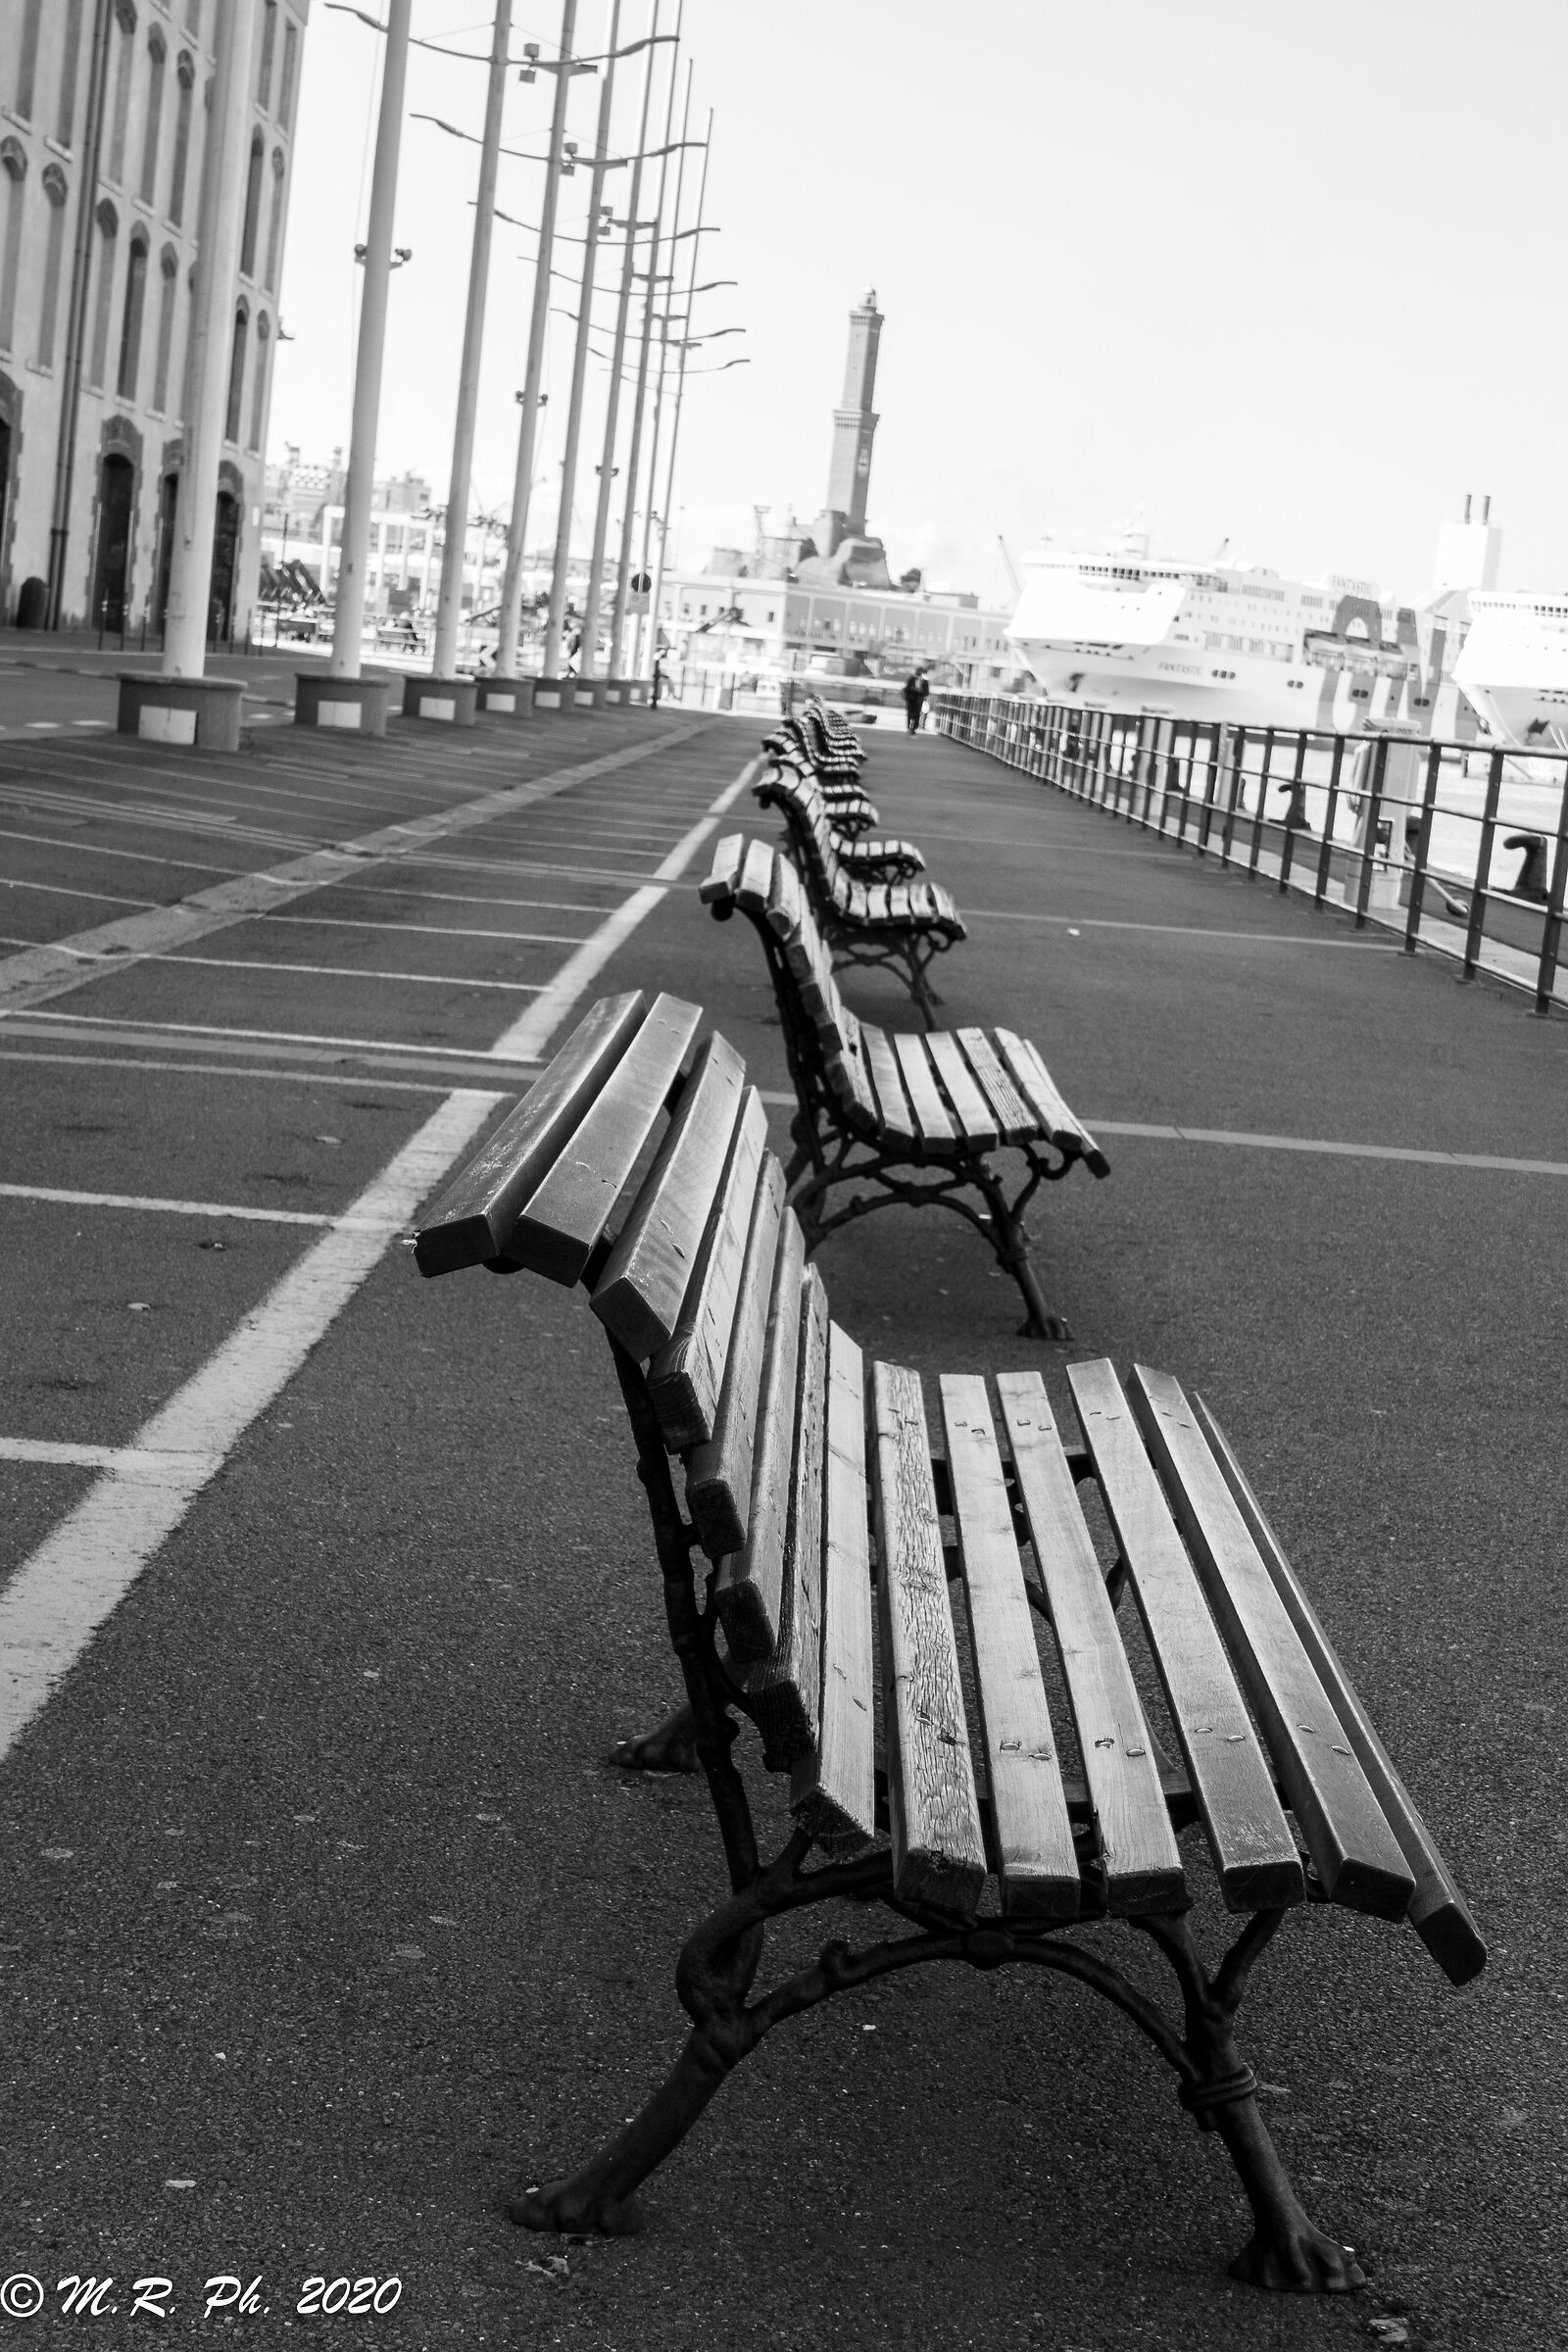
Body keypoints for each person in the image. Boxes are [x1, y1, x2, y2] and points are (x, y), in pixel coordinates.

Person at [903, 666, 930, 733]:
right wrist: (912, 690)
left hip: (919, 700)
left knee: (917, 714)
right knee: (910, 713)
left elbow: (926, 692)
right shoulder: (911, 679)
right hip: (911, 699)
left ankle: (914, 728)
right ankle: (909, 727)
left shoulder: (925, 681)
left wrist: (921, 692)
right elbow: (907, 688)